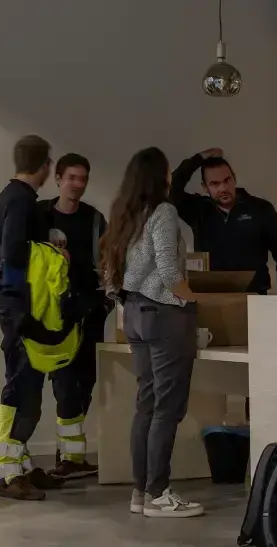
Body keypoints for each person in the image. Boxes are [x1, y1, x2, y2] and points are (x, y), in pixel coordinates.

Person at [99, 147, 206, 519]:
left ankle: (141, 492)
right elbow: (167, 267)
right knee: (168, 407)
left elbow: (113, 270)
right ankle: (160, 492)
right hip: (163, 315)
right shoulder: (163, 212)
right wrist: (195, 300)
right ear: (161, 176)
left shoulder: (125, 215)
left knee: (146, 403)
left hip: (133, 314)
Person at [0, 135, 66, 501]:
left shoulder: (6, 199)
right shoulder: (22, 202)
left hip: (12, 307)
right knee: (21, 389)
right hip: (22, 311)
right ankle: (9, 474)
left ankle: (24, 466)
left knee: (27, 387)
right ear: (46, 166)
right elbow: (12, 256)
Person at [33, 153, 106, 480]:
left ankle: (73, 456)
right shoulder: (40, 215)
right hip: (53, 315)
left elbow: (108, 262)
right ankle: (69, 458)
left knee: (86, 381)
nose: (77, 184)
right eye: (72, 178)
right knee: (64, 383)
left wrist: (104, 303)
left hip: (90, 312)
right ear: (58, 179)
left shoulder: (94, 219)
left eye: (83, 178)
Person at [170, 149, 277, 294]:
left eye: (227, 180)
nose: (223, 188)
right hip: (211, 297)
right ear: (205, 187)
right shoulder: (198, 210)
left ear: (234, 178)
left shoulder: (260, 208)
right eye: (215, 184)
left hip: (253, 296)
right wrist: (198, 159)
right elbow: (170, 190)